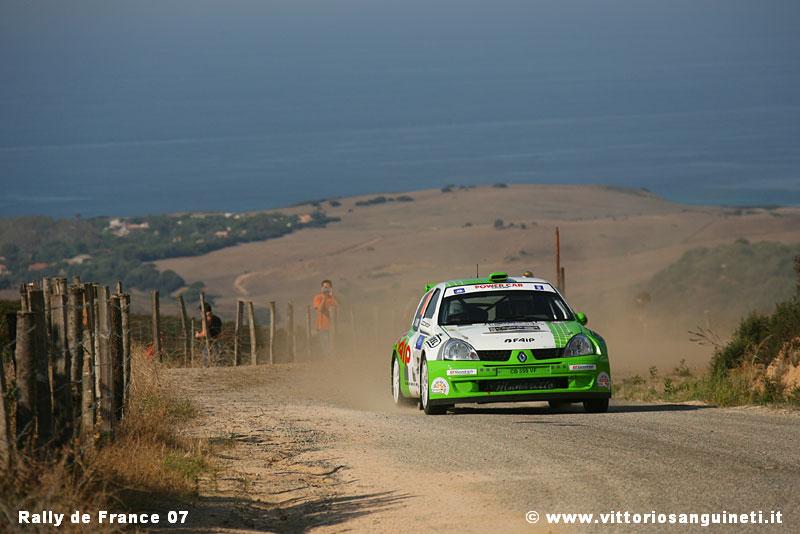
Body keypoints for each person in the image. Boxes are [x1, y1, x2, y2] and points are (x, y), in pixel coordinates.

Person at [312, 279, 337, 357]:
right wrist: (324, 298)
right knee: (325, 346)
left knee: (333, 345)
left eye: (328, 287)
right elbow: (319, 309)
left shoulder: (332, 298)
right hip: (322, 326)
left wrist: (332, 296)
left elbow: (336, 308)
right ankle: (328, 359)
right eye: (325, 287)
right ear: (321, 288)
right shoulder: (317, 297)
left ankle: (332, 359)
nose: (326, 289)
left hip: (332, 326)